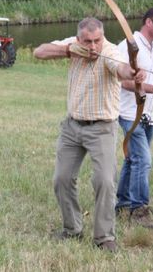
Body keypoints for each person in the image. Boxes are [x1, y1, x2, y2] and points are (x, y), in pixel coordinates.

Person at [33, 17, 145, 253]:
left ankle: (104, 237)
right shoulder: (72, 46)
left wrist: (133, 72)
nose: (93, 46)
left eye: (97, 40)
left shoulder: (111, 51)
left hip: (102, 128)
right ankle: (72, 228)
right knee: (61, 179)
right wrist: (69, 50)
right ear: (78, 38)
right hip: (72, 126)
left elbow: (121, 68)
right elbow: (38, 52)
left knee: (104, 180)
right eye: (87, 41)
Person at [115, 8, 153, 229]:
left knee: (133, 160)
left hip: (146, 114)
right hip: (130, 114)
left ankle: (122, 204)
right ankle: (139, 210)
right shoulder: (130, 46)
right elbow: (123, 81)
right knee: (143, 161)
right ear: (149, 22)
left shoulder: (152, 47)